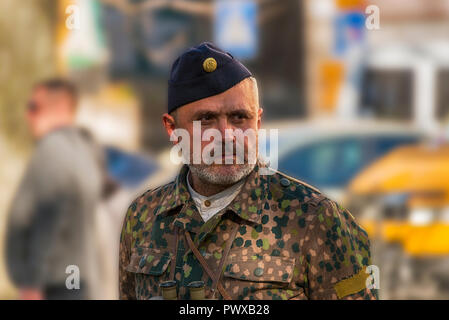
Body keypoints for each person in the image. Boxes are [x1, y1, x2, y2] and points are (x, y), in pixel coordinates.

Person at [119, 42, 378, 300]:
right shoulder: (143, 215)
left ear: (258, 122)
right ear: (172, 129)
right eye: (205, 119)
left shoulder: (314, 218)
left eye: (239, 118)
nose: (226, 135)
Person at [5, 79, 104, 300]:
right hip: (79, 277)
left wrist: (31, 282)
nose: (28, 116)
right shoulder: (87, 148)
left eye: (33, 107)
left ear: (59, 108)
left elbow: (45, 217)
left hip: (56, 283)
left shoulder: (52, 149)